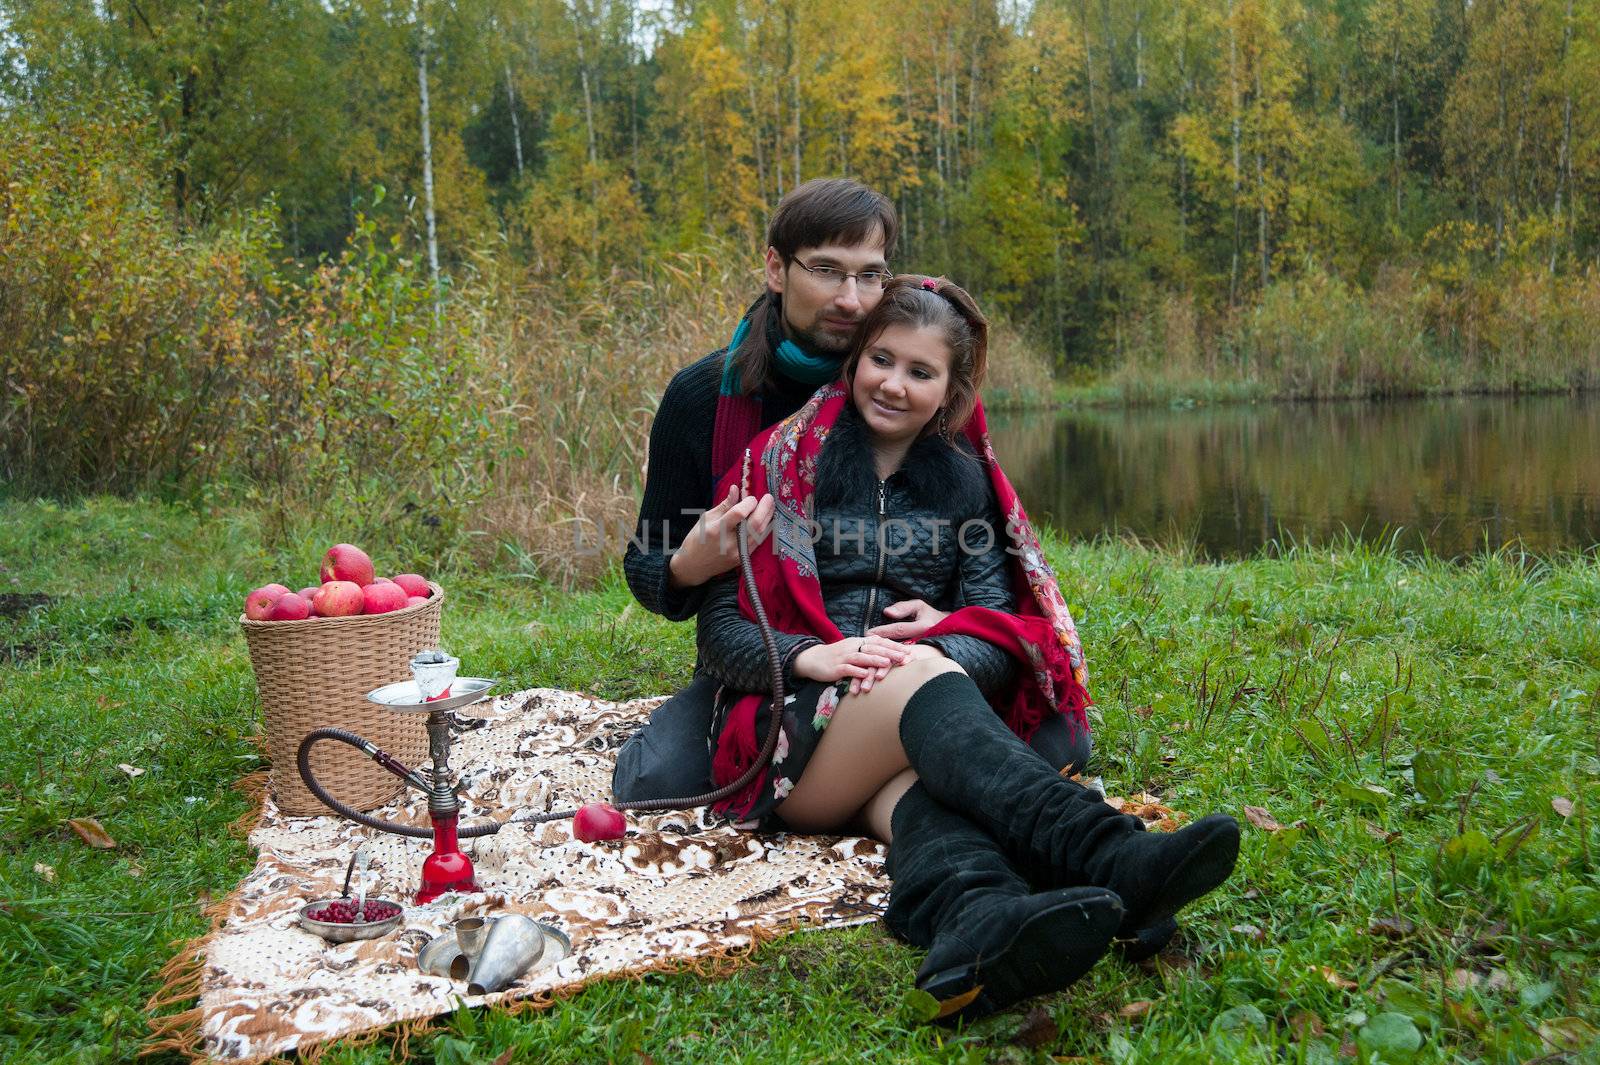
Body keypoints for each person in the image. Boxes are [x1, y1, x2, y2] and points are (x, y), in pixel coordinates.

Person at [692, 276, 1241, 1022]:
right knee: (919, 669)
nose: (893, 384)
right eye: (881, 359)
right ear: (854, 359)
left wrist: (945, 632)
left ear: (951, 387)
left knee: (921, 793)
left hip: (896, 744)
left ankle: (975, 923)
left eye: (921, 372)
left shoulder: (966, 483)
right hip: (791, 742)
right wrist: (804, 657)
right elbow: (722, 632)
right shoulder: (777, 465)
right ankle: (1106, 850)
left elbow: (1000, 633)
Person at [614, 177, 1084, 800]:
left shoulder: (906, 381)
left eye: (871, 275)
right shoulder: (704, 400)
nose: (852, 298)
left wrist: (947, 638)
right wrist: (686, 566)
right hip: (766, 648)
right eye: (828, 271)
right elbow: (648, 562)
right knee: (658, 780)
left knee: (1059, 743)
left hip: (911, 654)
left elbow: (985, 573)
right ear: (776, 269)